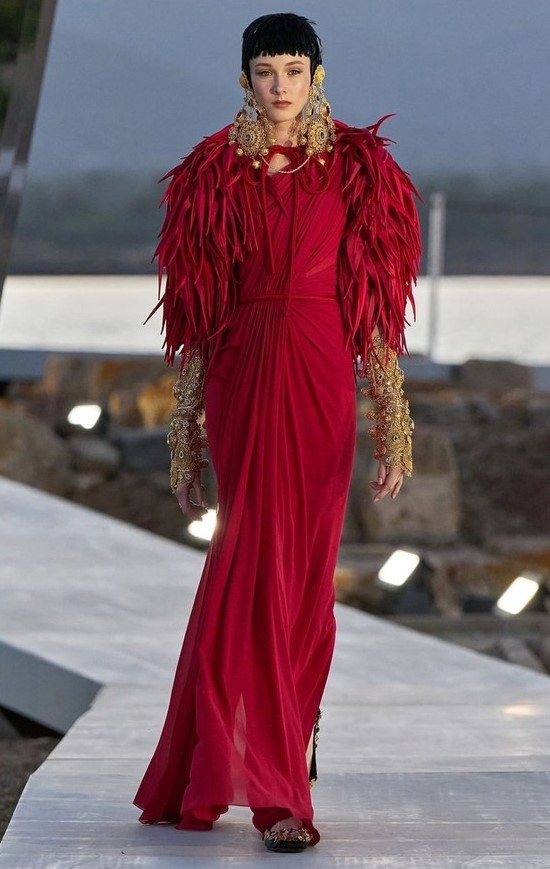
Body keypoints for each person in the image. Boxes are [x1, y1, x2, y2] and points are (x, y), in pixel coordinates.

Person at [134, 12, 420, 853]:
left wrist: (393, 422)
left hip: (323, 374)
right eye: (266, 71)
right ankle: (277, 796)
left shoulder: (360, 169)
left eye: (294, 69)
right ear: (245, 79)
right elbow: (195, 319)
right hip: (244, 375)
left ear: (316, 76)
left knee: (305, 583)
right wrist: (185, 439)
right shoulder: (213, 172)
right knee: (250, 567)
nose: (280, 85)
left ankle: (289, 740)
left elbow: (375, 311)